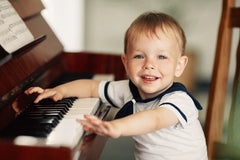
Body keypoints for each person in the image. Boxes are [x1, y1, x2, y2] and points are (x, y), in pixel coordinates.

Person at [25, 12, 208, 160]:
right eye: (139, 56)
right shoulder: (129, 89)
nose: (149, 65)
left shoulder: (180, 101)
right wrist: (60, 90)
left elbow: (154, 119)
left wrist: (117, 127)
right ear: (126, 62)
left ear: (179, 65)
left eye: (161, 57)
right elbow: (91, 87)